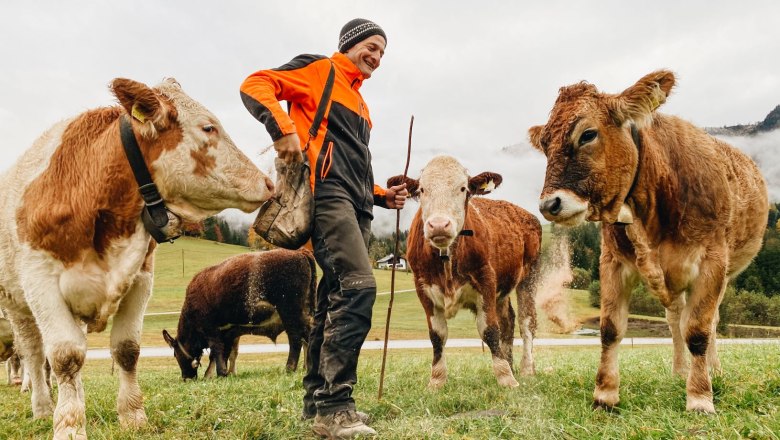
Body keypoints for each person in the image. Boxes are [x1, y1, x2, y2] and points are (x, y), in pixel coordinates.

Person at [240, 18, 407, 439]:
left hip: (358, 205)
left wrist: (383, 196)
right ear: (350, 43)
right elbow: (255, 83)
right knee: (358, 287)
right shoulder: (320, 71)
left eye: (383, 52)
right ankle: (335, 408)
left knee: (333, 300)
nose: (376, 56)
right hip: (327, 198)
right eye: (371, 46)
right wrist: (282, 129)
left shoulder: (363, 106)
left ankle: (316, 401)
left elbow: (349, 161)